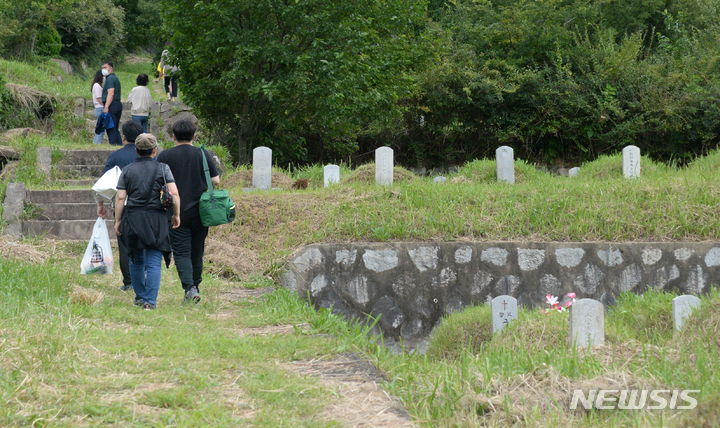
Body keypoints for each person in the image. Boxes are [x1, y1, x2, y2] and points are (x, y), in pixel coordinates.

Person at [114, 133, 180, 309]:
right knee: (153, 261)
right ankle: (150, 301)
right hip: (157, 219)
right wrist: (176, 215)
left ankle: (140, 296)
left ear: (136, 150)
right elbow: (174, 194)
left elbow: (121, 198)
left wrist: (117, 220)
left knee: (136, 259)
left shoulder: (127, 170)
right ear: (155, 150)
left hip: (134, 218)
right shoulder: (163, 168)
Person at [157, 120, 218, 303]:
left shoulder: (165, 156)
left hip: (175, 212)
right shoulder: (202, 153)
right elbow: (215, 181)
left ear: (173, 136)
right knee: (197, 252)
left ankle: (189, 288)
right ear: (194, 136)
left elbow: (157, 181)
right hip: (201, 211)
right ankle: (195, 287)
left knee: (182, 252)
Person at [97, 120, 143, 292]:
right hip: (146, 206)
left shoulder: (116, 156)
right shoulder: (149, 155)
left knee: (124, 245)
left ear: (123, 137)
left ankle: (129, 281)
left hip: (122, 205)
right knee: (144, 242)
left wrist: (100, 205)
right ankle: (144, 275)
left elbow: (104, 183)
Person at [101, 61, 123, 145]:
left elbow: (111, 93)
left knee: (111, 128)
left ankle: (113, 145)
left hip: (112, 104)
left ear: (111, 68)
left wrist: (106, 106)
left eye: (105, 68)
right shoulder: (113, 78)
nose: (103, 70)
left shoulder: (110, 78)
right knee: (114, 128)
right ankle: (118, 144)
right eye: (102, 68)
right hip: (116, 104)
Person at [91, 70, 105, 144]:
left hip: (98, 108)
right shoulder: (97, 86)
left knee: (100, 128)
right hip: (100, 108)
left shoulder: (96, 85)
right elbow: (99, 98)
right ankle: (98, 143)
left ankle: (96, 143)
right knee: (101, 130)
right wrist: (106, 105)